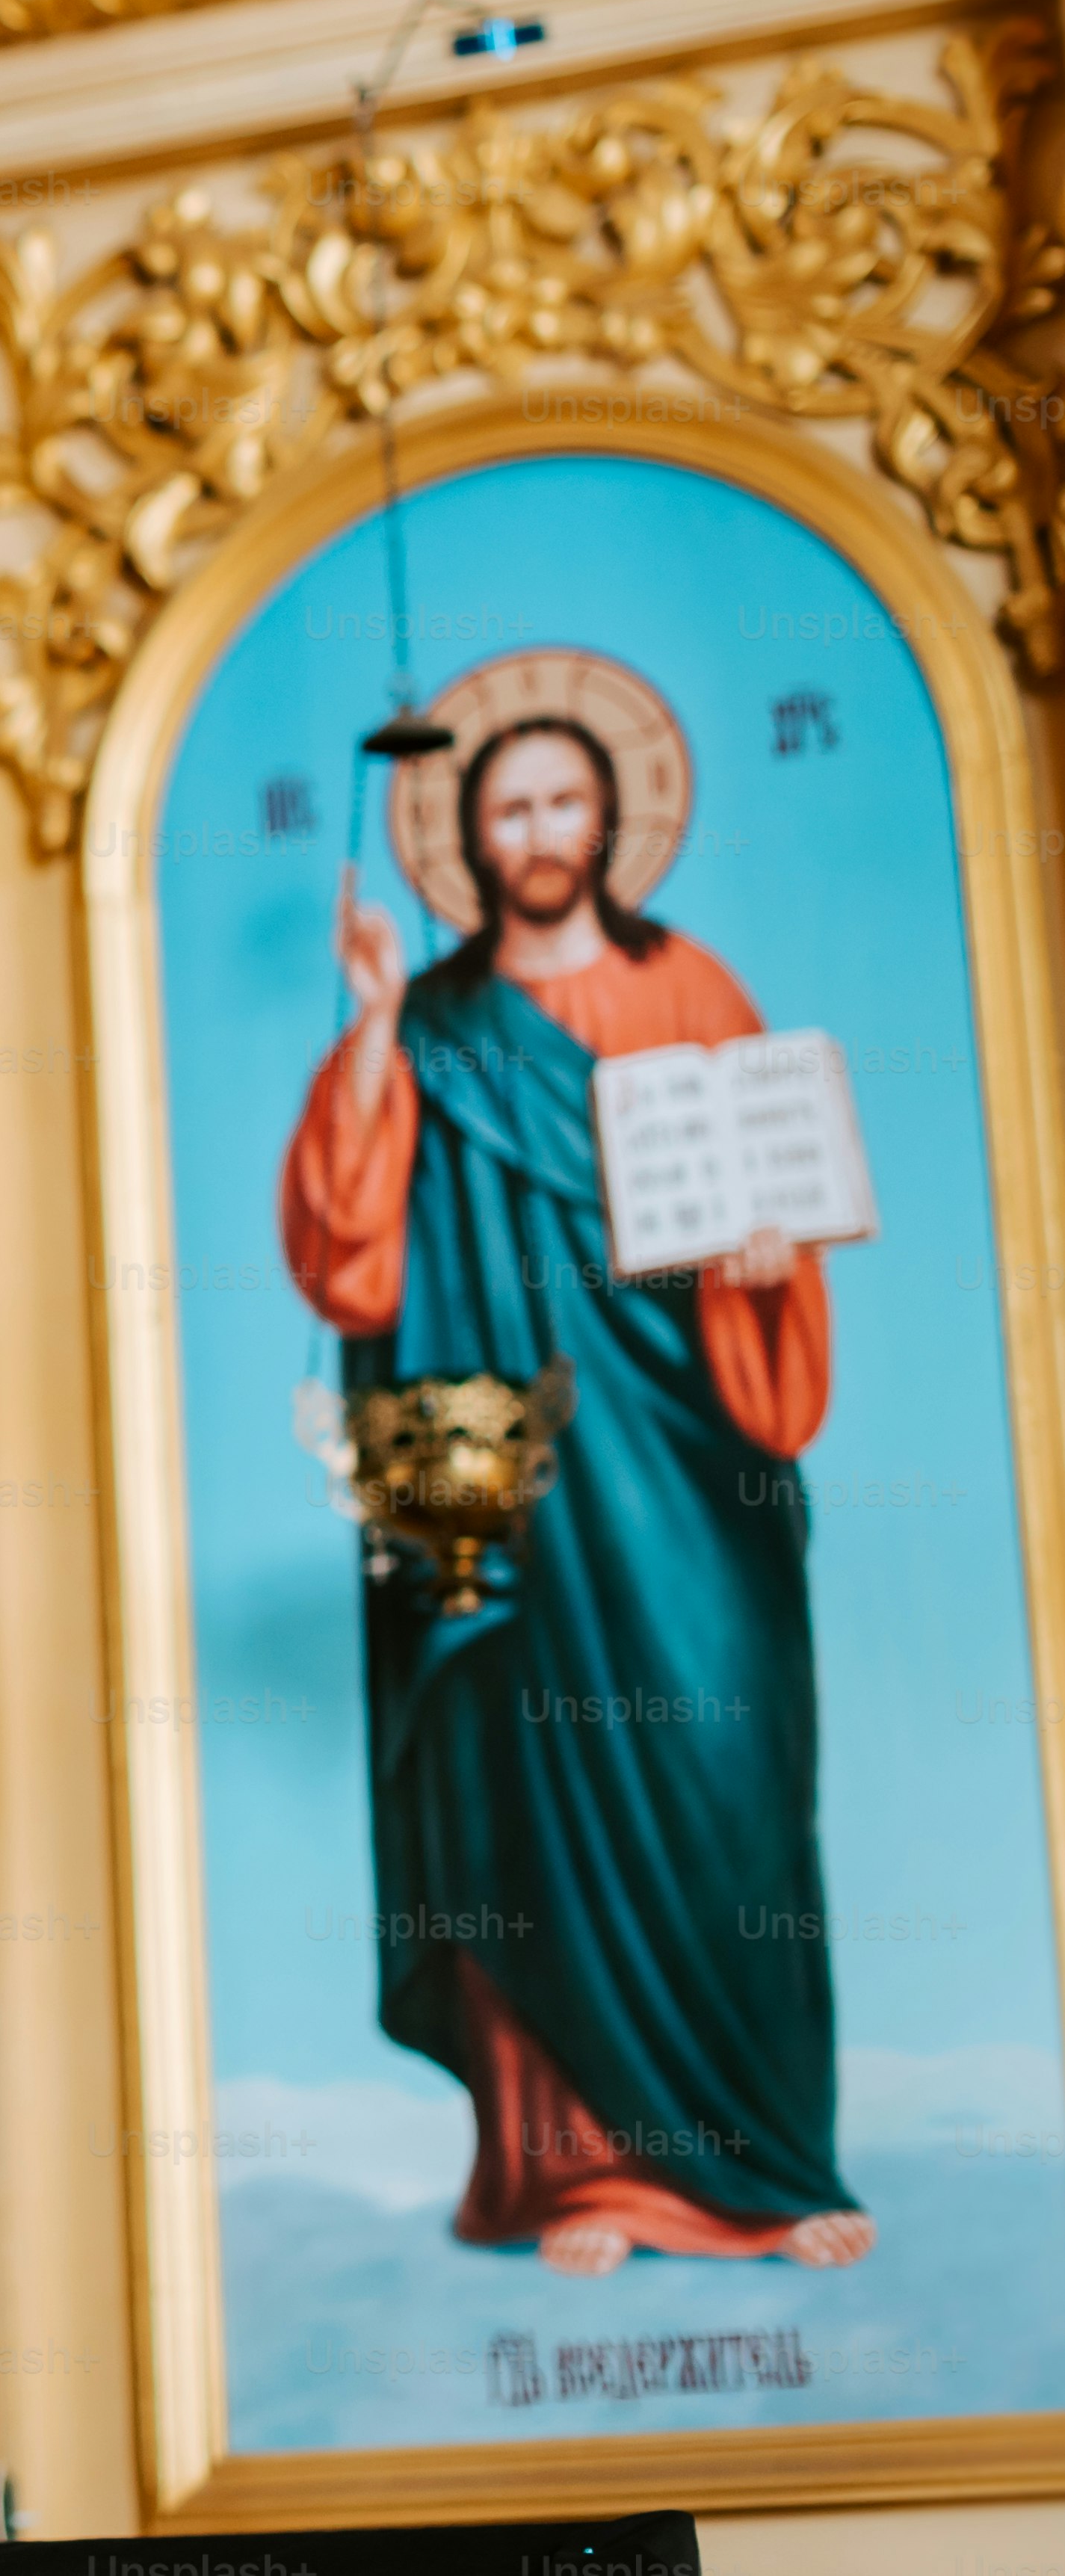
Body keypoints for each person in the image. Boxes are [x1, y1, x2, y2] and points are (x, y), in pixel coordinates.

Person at [282, 707, 859, 2279]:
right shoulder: (436, 1024)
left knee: (726, 1787)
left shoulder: (686, 991)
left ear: (609, 820)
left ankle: (767, 2159)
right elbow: (350, 1254)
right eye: (507, 807)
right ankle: (581, 2170)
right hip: (522, 1486)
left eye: (563, 801)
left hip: (687, 1461)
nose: (535, 831)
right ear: (468, 839)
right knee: (527, 1802)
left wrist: (762, 1259)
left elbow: (775, 1194)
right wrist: (374, 1013)